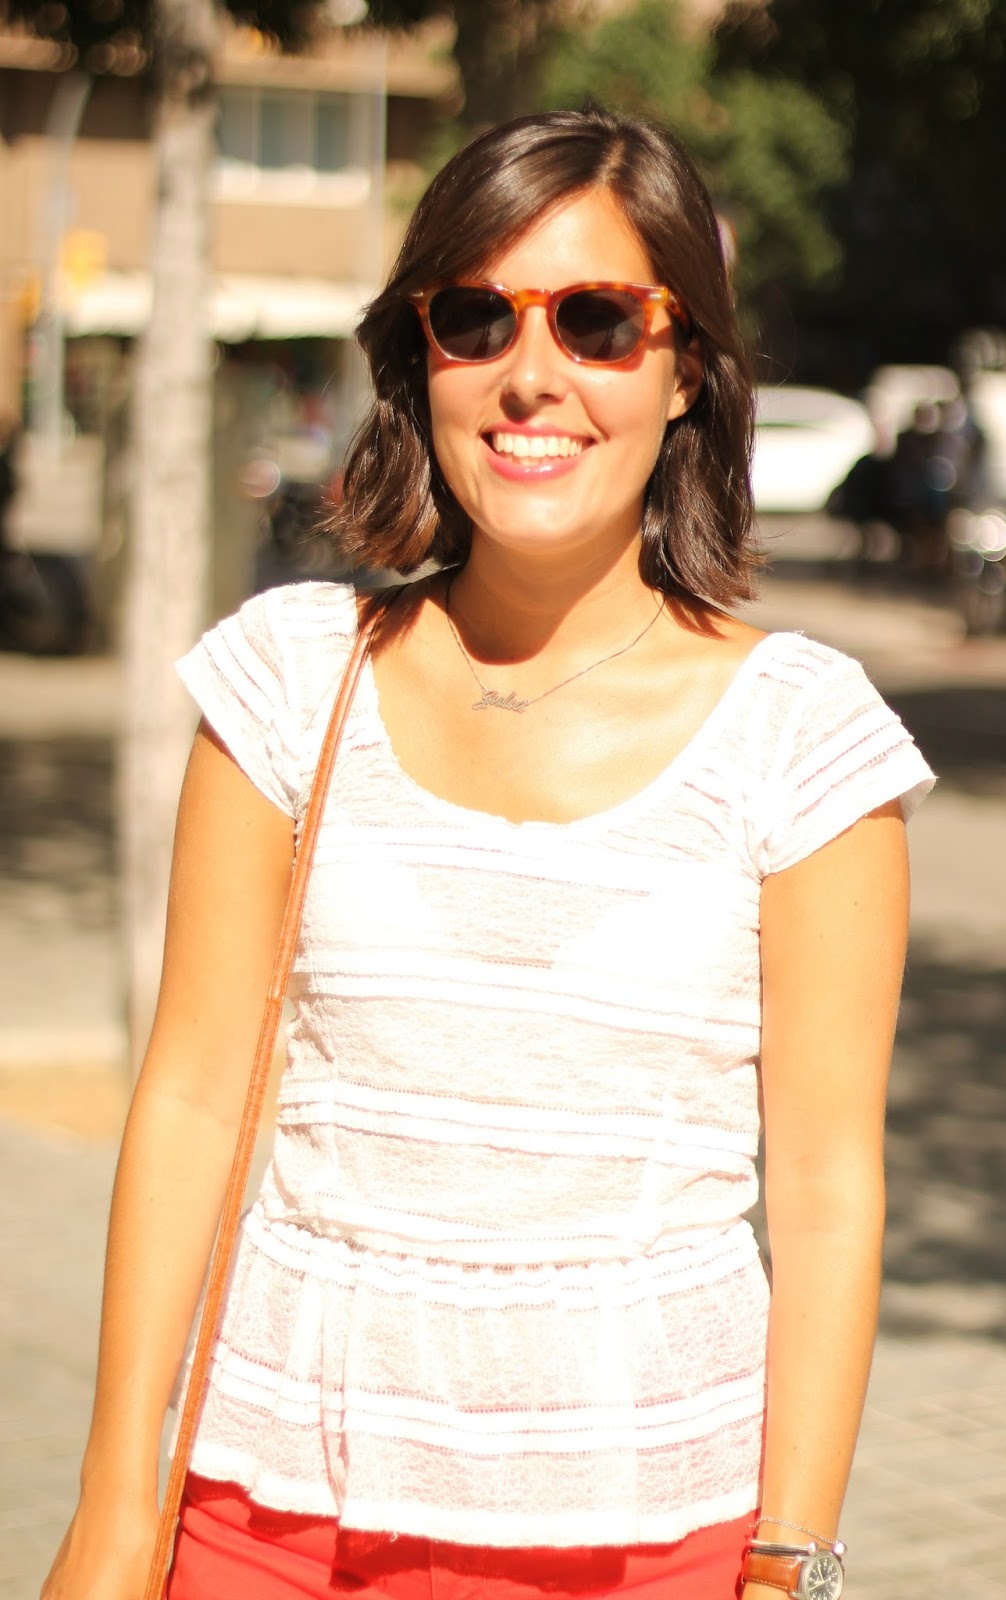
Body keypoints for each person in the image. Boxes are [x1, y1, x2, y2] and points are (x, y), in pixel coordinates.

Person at [43, 106, 934, 1600]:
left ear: (685, 369)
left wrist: (792, 1561)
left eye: (597, 320)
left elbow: (829, 1186)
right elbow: (190, 1099)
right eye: (475, 318)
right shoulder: (286, 679)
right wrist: (112, 1509)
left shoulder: (804, 735)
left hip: (649, 1539)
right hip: (268, 1523)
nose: (532, 374)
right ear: (422, 360)